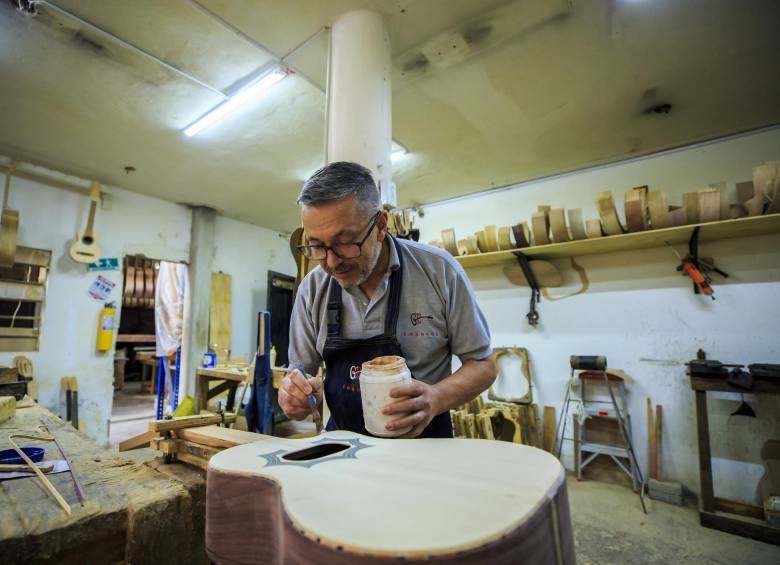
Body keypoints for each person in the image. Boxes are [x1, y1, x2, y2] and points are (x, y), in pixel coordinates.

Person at [279, 161, 495, 438]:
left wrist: (436, 398)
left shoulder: (439, 271)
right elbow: (298, 374)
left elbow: (483, 365)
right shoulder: (313, 288)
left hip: (425, 447)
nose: (331, 262)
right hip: (346, 449)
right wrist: (294, 395)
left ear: (380, 225)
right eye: (317, 246)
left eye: (345, 242)